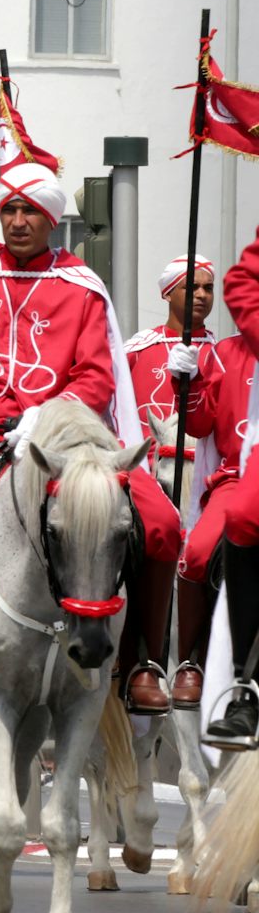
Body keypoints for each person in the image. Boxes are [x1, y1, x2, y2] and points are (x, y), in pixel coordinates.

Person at [0, 163, 180, 719]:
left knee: (161, 525)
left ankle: (143, 661)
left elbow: (96, 378)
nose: (18, 222)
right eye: (9, 211)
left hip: (67, 436)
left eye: (30, 213)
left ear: (51, 219)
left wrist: (47, 413)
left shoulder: (81, 286)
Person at [129, 256, 217, 710]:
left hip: (204, 477)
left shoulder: (226, 352)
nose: (202, 295)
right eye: (192, 287)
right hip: (147, 479)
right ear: (168, 294)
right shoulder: (136, 350)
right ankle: (129, 658)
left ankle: (204, 662)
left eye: (208, 287)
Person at [201, 228, 259, 743]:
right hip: (224, 469)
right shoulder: (221, 353)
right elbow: (244, 280)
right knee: (240, 517)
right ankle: (243, 684)